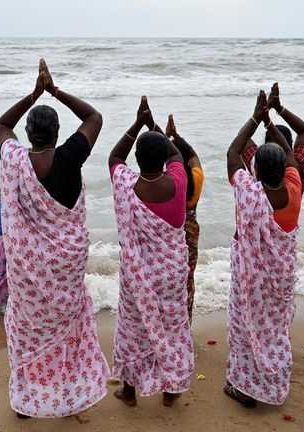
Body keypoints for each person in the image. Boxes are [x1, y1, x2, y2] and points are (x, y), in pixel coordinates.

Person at [0, 58, 109, 418]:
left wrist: (33, 94)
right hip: (65, 267)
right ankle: (69, 394)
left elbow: (1, 125)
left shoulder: (15, 159)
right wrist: (54, 90)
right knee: (67, 328)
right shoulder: (71, 157)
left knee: (29, 329)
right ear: (60, 134)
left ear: (28, 134)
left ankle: (27, 401)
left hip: (30, 274)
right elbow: (94, 119)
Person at [108, 96, 194, 408]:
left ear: (138, 160)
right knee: (173, 328)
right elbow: (175, 154)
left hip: (138, 276)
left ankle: (129, 392)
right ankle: (171, 390)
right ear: (164, 162)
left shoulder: (125, 184)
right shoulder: (178, 180)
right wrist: (154, 125)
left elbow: (115, 157)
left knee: (132, 328)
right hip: (171, 274)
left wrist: (138, 123)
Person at [223, 84, 302, 408]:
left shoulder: (248, 191)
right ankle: (272, 380)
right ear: (284, 169)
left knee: (245, 327)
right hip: (281, 279)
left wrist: (256, 117)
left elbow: (232, 153)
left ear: (254, 170)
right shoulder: (294, 188)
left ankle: (244, 389)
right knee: (274, 330)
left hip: (252, 280)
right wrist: (271, 121)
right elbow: (292, 155)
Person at [165, 114, 204, 322]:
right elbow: (194, 156)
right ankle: (185, 322)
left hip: (171, 232)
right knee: (188, 279)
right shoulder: (197, 177)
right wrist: (176, 136)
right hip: (191, 232)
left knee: (169, 279)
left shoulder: (166, 183)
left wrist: (165, 136)